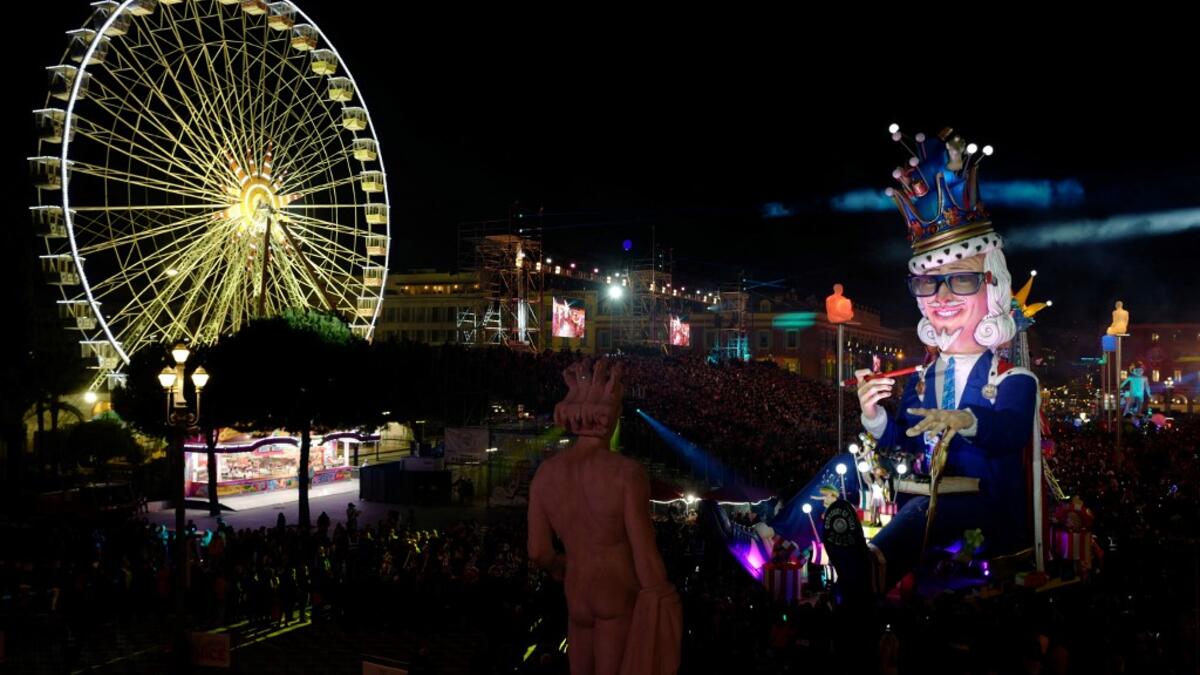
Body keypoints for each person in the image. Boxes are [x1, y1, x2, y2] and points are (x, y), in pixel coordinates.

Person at [755, 125, 1039, 599]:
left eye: (960, 280)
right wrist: (874, 416)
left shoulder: (1014, 377)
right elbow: (901, 438)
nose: (941, 297)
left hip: (981, 504)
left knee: (927, 510)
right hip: (920, 489)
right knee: (847, 465)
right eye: (928, 283)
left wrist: (966, 419)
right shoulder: (926, 376)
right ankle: (778, 537)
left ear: (992, 288)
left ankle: (869, 570)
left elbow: (1009, 432)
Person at [528, 358, 681, 675]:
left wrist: (559, 567)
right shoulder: (626, 473)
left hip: (576, 592)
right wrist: (662, 600)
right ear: (611, 417)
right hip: (616, 591)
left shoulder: (545, 474)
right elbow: (644, 553)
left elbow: (538, 551)